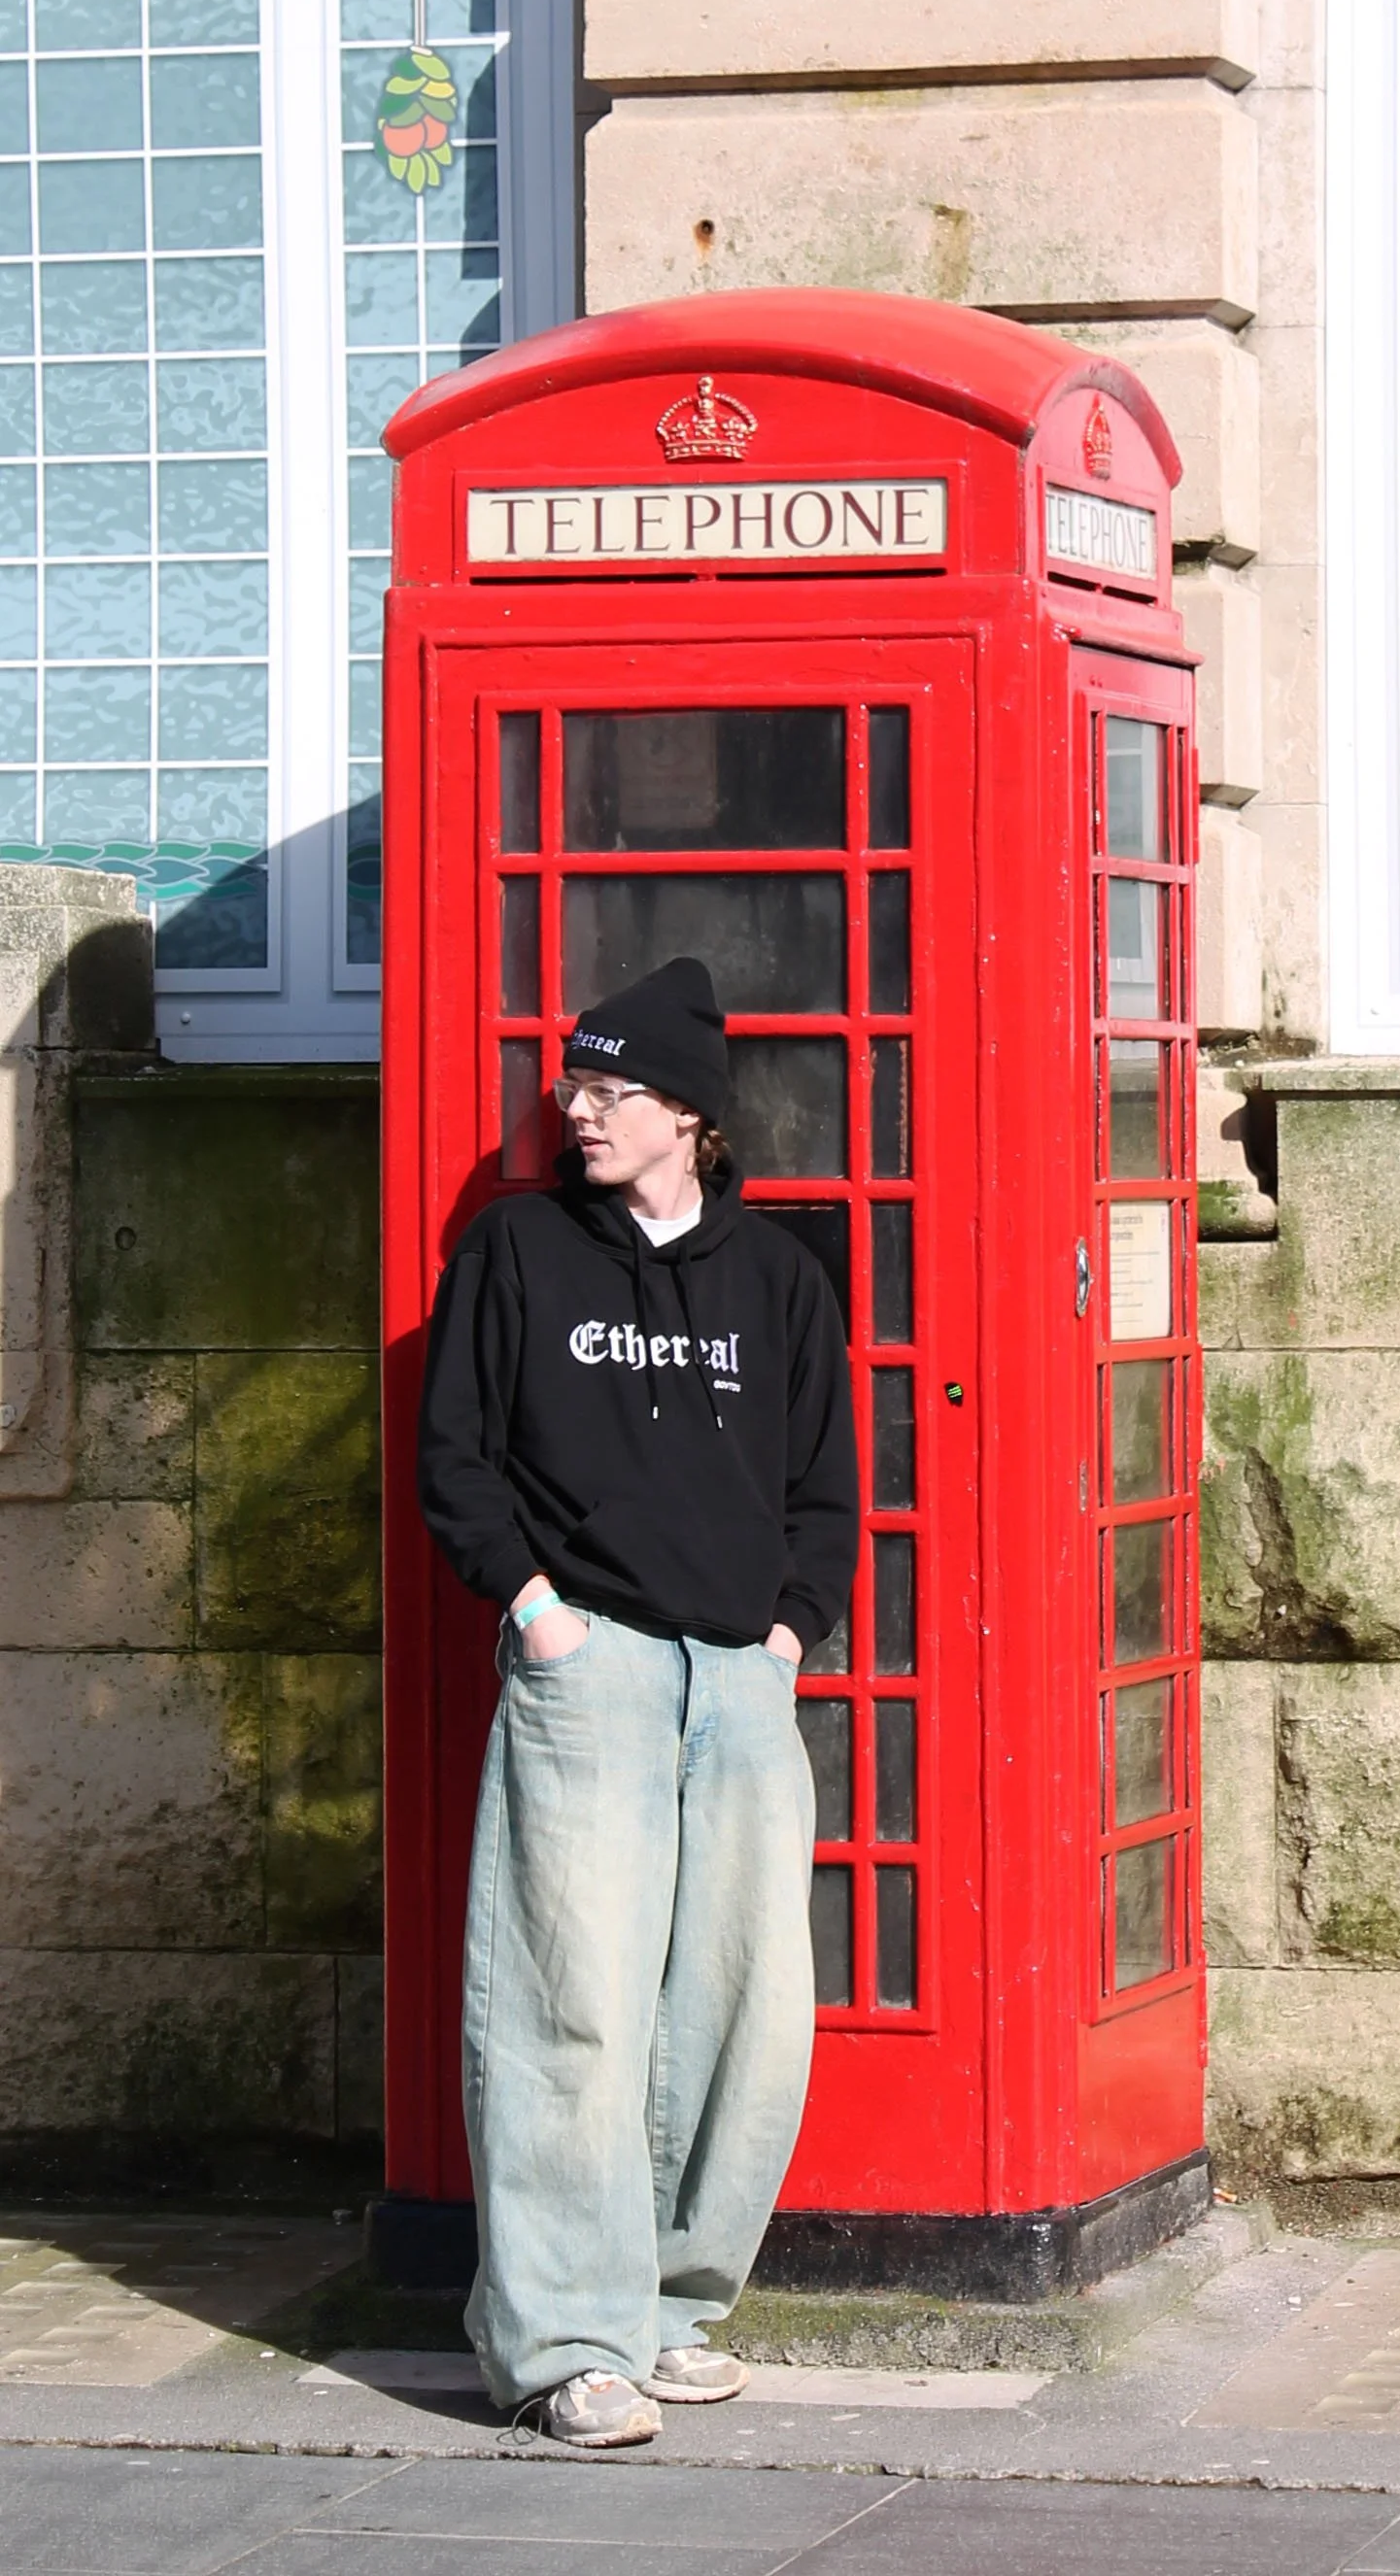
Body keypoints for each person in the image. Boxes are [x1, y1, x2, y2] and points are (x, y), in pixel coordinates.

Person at [417, 955, 859, 2449]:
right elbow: (456, 1454)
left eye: (606, 1090)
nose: (576, 1110)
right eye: (574, 1086)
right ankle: (562, 2345)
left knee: (742, 2013)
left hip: (737, 1678)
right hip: (588, 1660)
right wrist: (535, 1616)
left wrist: (792, 1635)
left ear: (688, 1114)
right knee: (571, 2005)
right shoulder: (521, 1251)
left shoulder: (780, 1280)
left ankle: (673, 2304)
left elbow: (824, 1487)